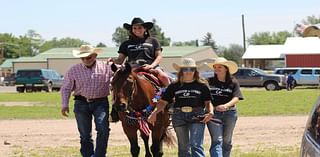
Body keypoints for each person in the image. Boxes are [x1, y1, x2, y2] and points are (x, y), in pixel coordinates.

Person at [148, 58, 214, 157]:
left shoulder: (202, 85)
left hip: (197, 115)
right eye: (185, 69)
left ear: (195, 71)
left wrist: (210, 112)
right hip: (179, 116)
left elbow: (208, 102)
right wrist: (154, 113)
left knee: (195, 145)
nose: (188, 72)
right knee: (183, 147)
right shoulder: (174, 86)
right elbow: (163, 102)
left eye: (191, 69)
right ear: (181, 71)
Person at [60, 45, 113, 157]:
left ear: (95, 56)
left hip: (101, 103)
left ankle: (99, 155)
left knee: (103, 129)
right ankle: (88, 155)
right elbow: (66, 88)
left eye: (88, 57)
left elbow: (119, 74)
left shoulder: (106, 67)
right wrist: (64, 104)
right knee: (84, 134)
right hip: (81, 103)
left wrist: (115, 64)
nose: (85, 60)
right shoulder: (73, 70)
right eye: (82, 58)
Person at [110, 17, 170, 86]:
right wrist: (113, 61)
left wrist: (151, 66)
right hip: (132, 69)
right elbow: (120, 60)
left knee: (164, 77)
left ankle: (169, 94)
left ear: (145, 29)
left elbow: (159, 56)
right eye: (134, 28)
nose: (137, 30)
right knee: (116, 80)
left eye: (140, 28)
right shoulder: (126, 44)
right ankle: (116, 96)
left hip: (150, 67)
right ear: (131, 30)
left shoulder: (153, 41)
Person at [206, 57, 244, 157]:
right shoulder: (209, 82)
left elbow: (237, 97)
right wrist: (212, 108)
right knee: (217, 139)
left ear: (226, 68)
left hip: (230, 113)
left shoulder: (233, 82)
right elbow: (205, 98)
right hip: (214, 114)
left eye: (219, 67)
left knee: (227, 140)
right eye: (215, 67)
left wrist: (226, 106)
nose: (216, 69)